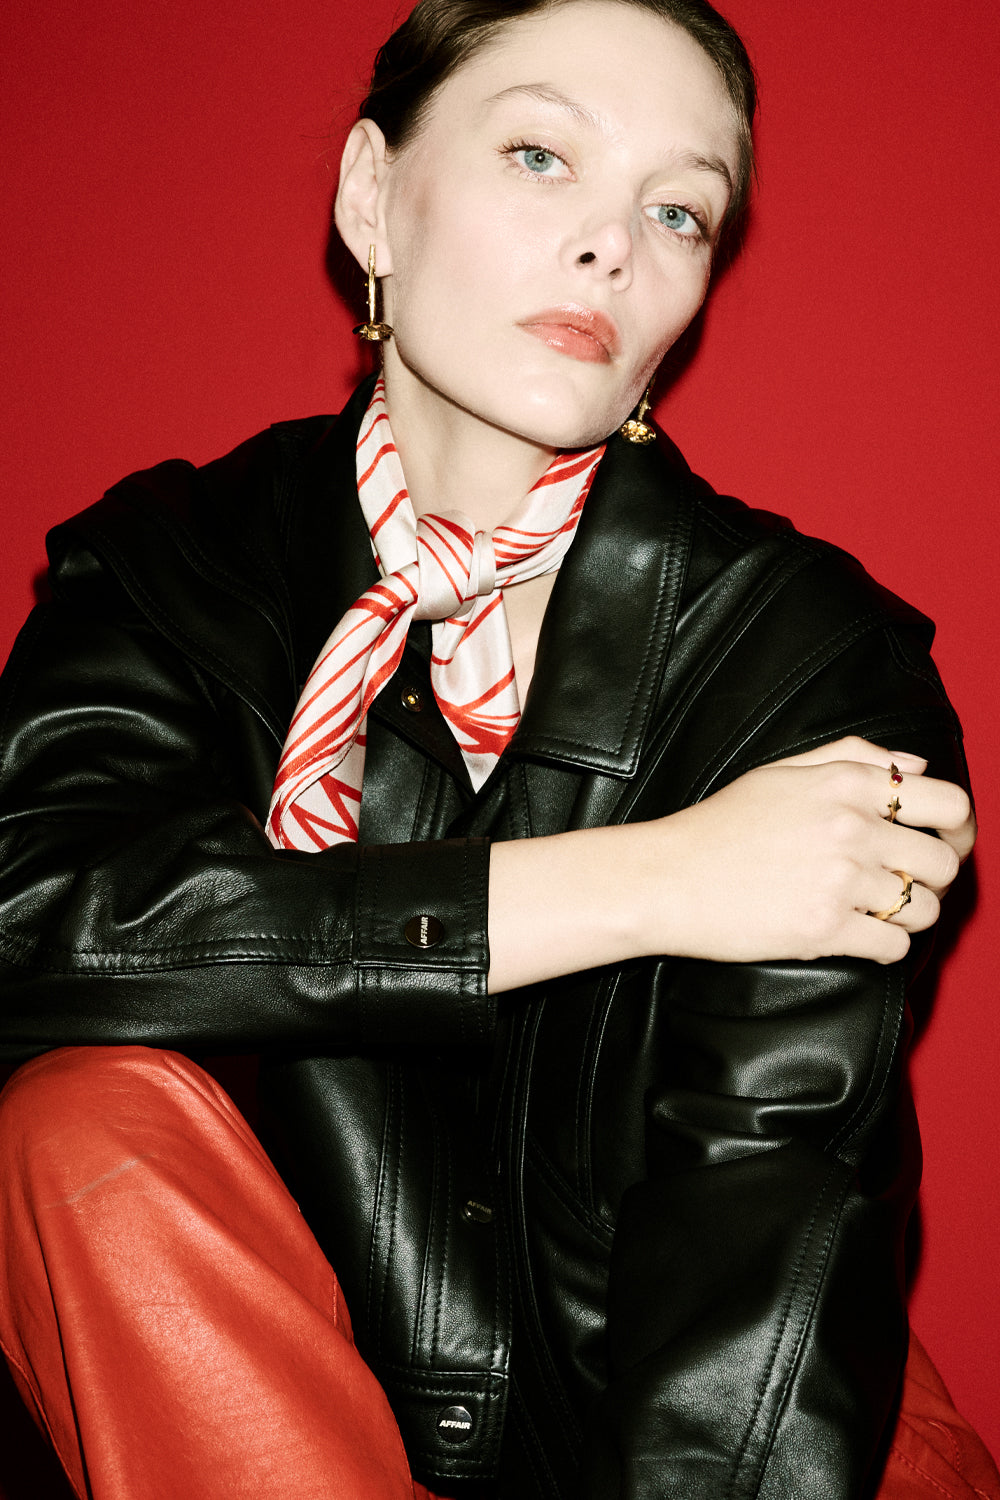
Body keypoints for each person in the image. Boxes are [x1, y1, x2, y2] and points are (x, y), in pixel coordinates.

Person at [0, 0, 994, 1497]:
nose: (613, 249)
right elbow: (32, 925)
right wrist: (653, 881)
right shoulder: (175, 565)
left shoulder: (808, 657)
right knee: (77, 1117)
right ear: (370, 195)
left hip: (721, 1432)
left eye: (678, 210)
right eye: (540, 156)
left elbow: (769, 1237)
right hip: (248, 1415)